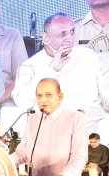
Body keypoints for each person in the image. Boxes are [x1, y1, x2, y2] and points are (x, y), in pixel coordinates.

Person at [12, 12, 109, 145]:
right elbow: (22, 102)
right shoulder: (30, 66)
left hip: (93, 131)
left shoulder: (88, 56)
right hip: (53, 135)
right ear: (45, 38)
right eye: (63, 34)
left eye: (72, 32)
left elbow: (106, 95)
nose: (70, 38)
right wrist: (51, 70)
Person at [11, 78, 88, 176]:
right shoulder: (33, 119)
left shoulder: (76, 118)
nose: (43, 100)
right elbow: (23, 152)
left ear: (60, 97)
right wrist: (3, 161)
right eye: (39, 96)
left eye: (48, 95)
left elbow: (79, 156)